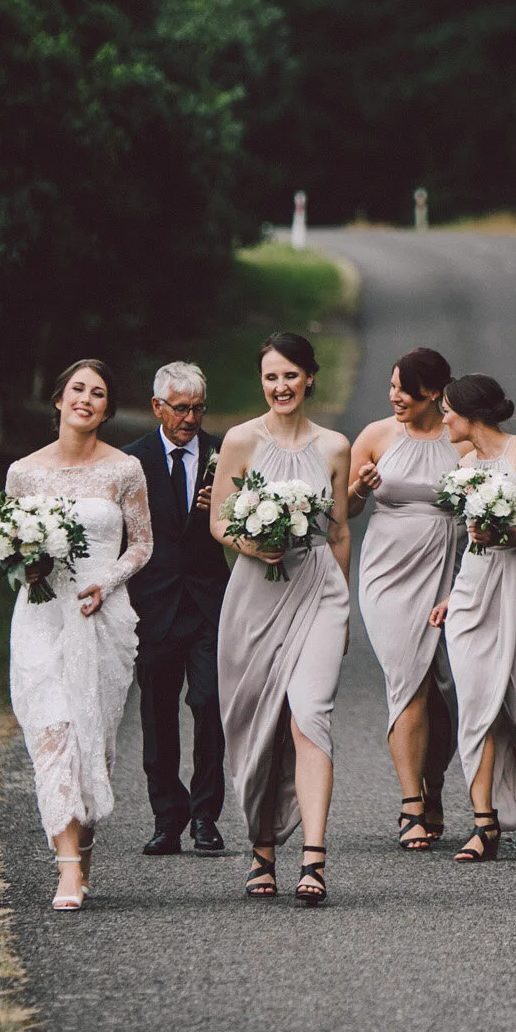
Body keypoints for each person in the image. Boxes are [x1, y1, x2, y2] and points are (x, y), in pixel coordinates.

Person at [4, 359, 154, 910]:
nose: (86, 399)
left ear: (107, 410)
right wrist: (29, 569)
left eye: (98, 394)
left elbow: (141, 544)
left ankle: (81, 853)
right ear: (59, 399)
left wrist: (106, 582)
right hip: (41, 615)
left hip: (101, 616)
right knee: (54, 732)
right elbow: (13, 548)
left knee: (95, 741)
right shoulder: (23, 472)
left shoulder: (123, 471)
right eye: (77, 389)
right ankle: (67, 871)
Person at [211, 333, 353, 906]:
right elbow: (221, 522)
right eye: (271, 377)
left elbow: (339, 531)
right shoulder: (240, 440)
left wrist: (345, 615)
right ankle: (262, 849)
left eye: (291, 375)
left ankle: (314, 860)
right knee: (259, 723)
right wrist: (250, 544)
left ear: (310, 377)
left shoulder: (336, 446)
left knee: (309, 716)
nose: (281, 386)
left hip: (319, 588)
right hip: (255, 596)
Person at [429, 372, 516, 863]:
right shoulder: (464, 463)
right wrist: (452, 593)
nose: (443, 417)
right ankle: (484, 825)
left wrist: (514, 535)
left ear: (472, 415)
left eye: (448, 409)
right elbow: (467, 540)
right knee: (476, 707)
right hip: (472, 592)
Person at [347, 348, 469, 851]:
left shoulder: (460, 441)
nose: (394, 395)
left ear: (434, 395)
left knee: (448, 694)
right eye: (392, 384)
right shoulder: (376, 436)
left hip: (447, 566)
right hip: (387, 573)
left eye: (405, 388)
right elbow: (345, 510)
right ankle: (410, 807)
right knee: (408, 682)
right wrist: (359, 487)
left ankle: (433, 784)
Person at [124, 361, 228, 857]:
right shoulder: (131, 462)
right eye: (181, 408)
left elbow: (244, 528)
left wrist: (224, 510)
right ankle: (167, 817)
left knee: (209, 705)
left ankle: (206, 815)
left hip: (210, 604)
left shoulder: (224, 454)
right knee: (157, 713)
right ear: (157, 407)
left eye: (198, 408)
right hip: (154, 606)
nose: (191, 418)